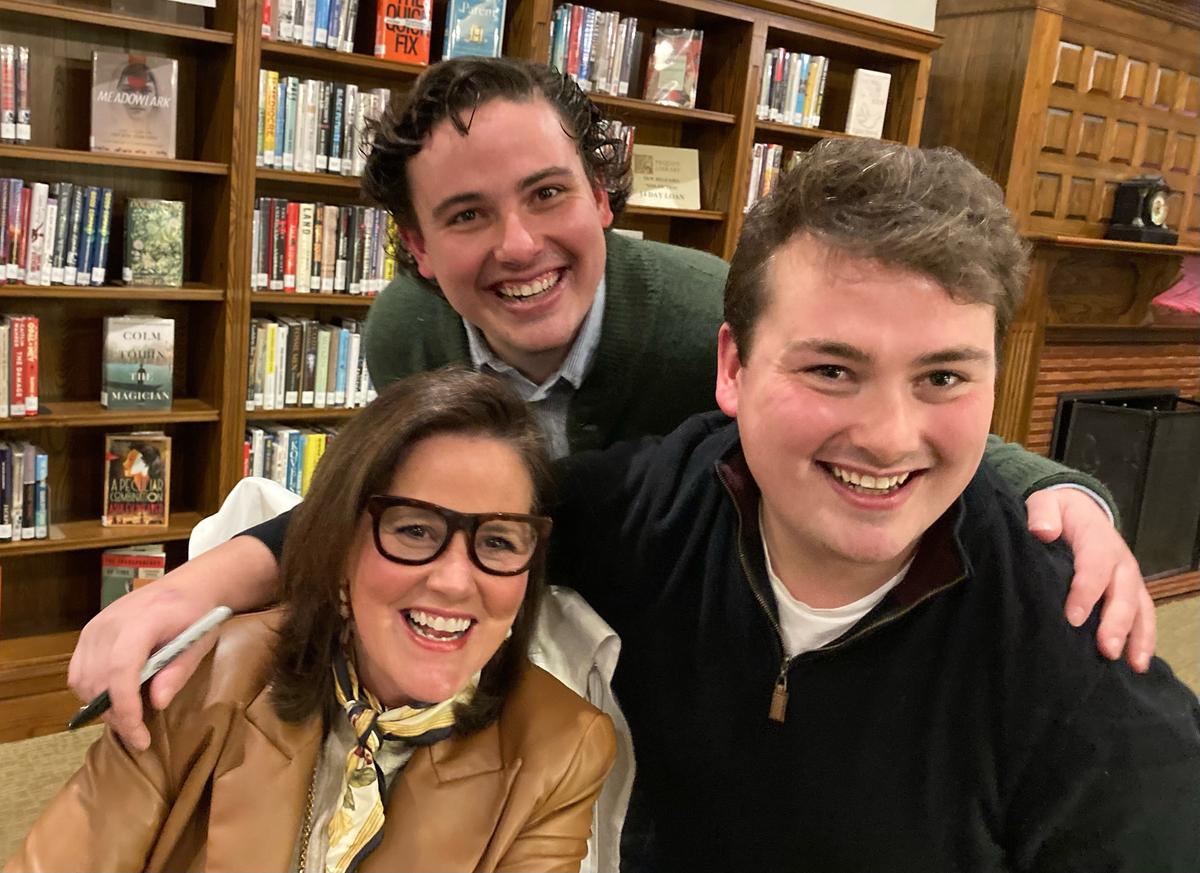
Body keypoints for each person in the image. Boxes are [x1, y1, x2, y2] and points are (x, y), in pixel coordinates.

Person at [69, 60, 1153, 759]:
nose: (520, 246)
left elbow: (888, 415)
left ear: (602, 196)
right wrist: (191, 587)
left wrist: (1072, 496)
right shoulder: (405, 333)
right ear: (417, 252)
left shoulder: (699, 321)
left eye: (548, 194)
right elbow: (400, 499)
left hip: (681, 639)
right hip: (510, 596)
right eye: (466, 215)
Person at [544, 139, 1200, 870]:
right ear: (733, 368)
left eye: (943, 377)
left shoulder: (1077, 656)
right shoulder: (639, 512)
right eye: (831, 369)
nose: (889, 439)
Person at [8, 369, 616, 873]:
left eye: (499, 542)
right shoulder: (201, 679)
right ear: (341, 546)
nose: (456, 581)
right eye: (413, 530)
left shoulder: (561, 748)